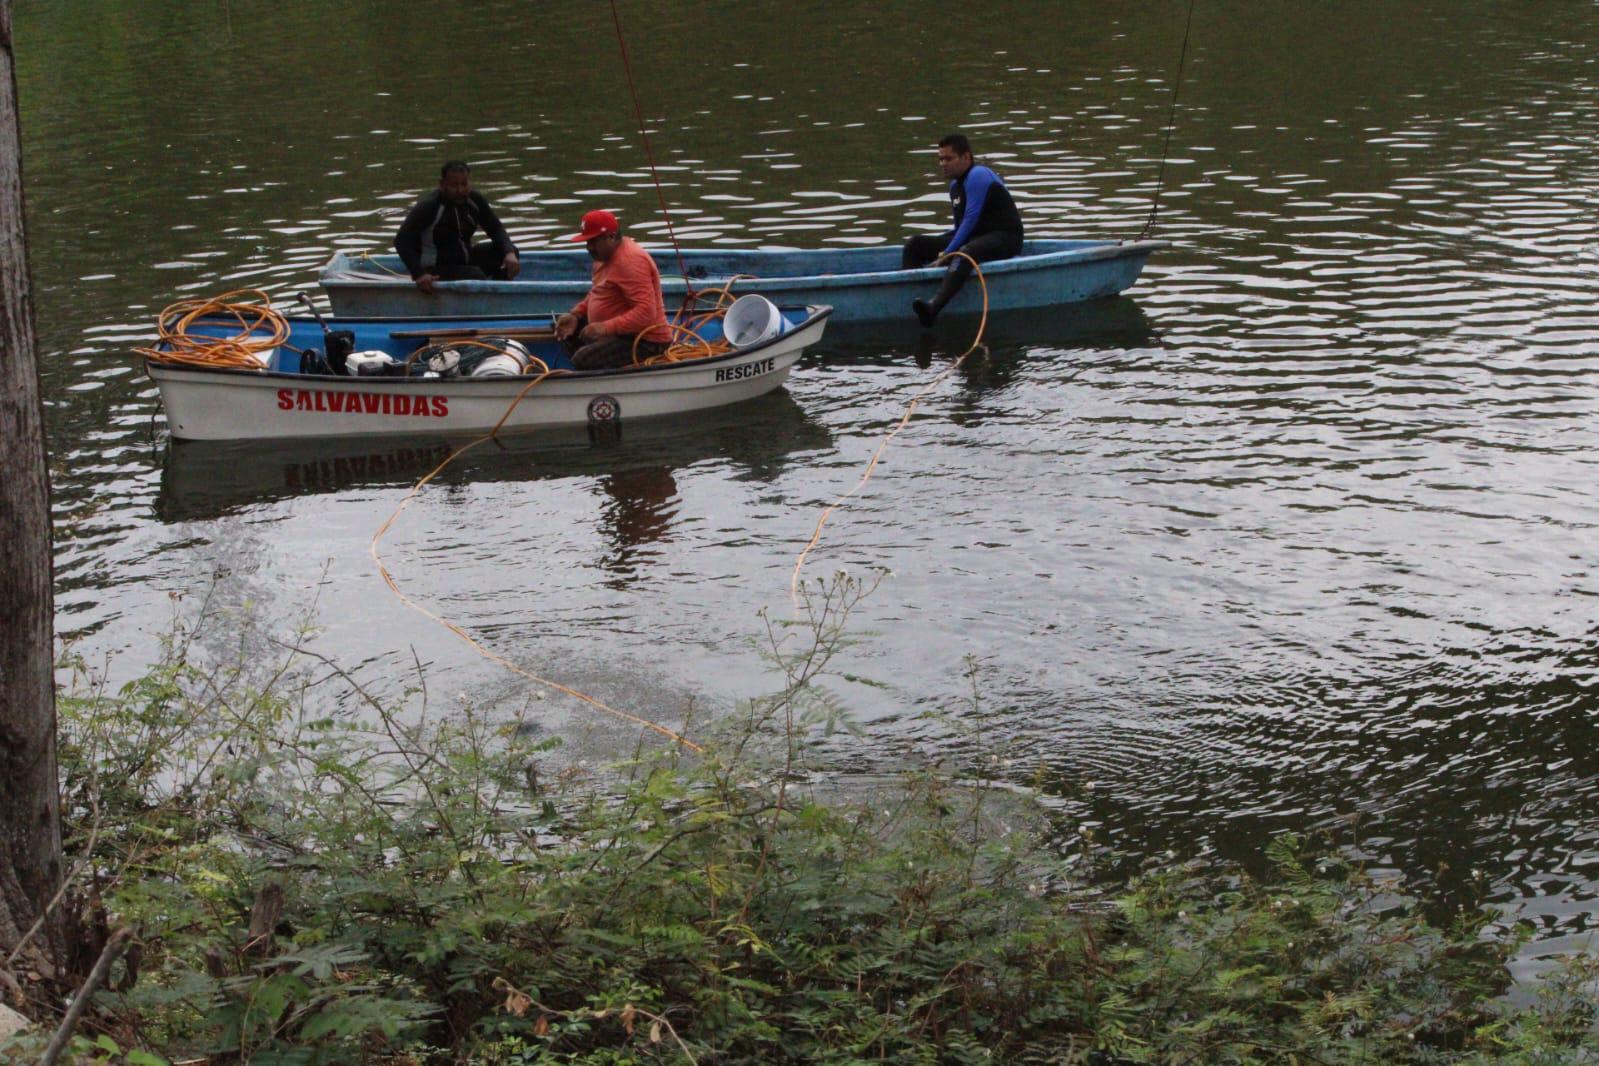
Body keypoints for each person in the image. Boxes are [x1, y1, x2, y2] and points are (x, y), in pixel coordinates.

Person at [902, 133, 1024, 327]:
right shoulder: (954, 187)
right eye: (940, 159)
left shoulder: (978, 175)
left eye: (948, 158)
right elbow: (960, 228)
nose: (943, 163)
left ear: (966, 157)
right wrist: (946, 251)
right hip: (977, 237)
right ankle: (907, 301)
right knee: (915, 245)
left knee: (963, 253)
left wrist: (948, 253)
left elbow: (970, 220)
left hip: (1005, 237)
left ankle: (933, 308)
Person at [553, 210, 672, 370]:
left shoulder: (630, 261)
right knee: (565, 330)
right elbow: (599, 291)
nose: (589, 247)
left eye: (593, 241)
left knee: (583, 359)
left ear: (610, 237)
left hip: (645, 341)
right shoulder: (602, 258)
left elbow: (646, 313)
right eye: (587, 242)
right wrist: (576, 314)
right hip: (620, 331)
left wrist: (605, 328)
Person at [394, 161, 521, 294]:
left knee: (509, 253)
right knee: (475, 276)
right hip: (435, 268)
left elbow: (495, 228)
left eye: (464, 184)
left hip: (464, 261)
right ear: (442, 185)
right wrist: (419, 274)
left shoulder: (474, 200)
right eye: (454, 186)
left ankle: (500, 296)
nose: (460, 190)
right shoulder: (430, 206)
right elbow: (402, 241)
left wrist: (509, 253)